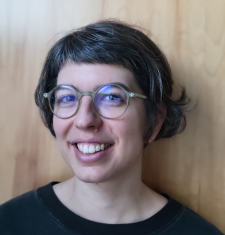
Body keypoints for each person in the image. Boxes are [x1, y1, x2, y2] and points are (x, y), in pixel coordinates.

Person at [0, 20, 223, 235]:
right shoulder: (8, 223)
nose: (84, 120)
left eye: (111, 97)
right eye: (67, 97)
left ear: (154, 120)